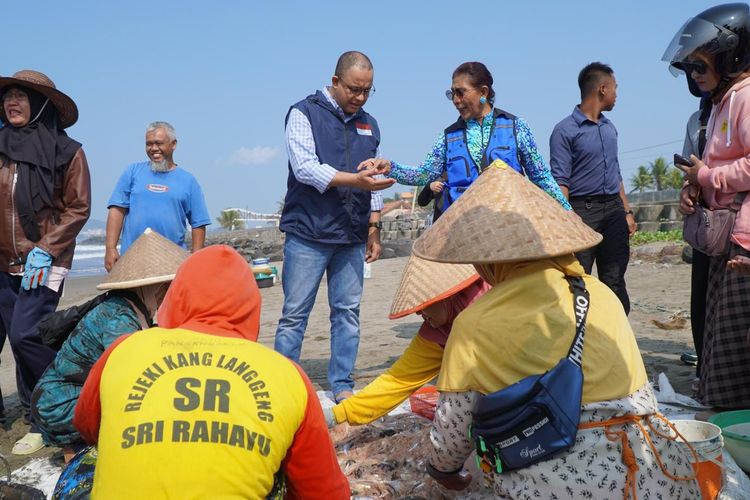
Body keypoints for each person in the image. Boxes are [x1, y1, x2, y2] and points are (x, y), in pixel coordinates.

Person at [413, 161, 699, 498]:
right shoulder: (602, 295)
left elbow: (451, 439)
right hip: (655, 478)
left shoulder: (475, 324)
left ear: (487, 260)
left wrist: (443, 473)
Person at [72, 245, 349, 498]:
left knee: (84, 465)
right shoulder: (287, 376)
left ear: (177, 296)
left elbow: (87, 426)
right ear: (251, 306)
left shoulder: (126, 349)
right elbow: (326, 492)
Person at [274, 51, 395, 403]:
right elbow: (305, 169)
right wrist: (353, 181)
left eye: (367, 91)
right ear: (336, 80)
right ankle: (284, 386)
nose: (360, 97)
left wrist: (374, 227)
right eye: (354, 89)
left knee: (347, 312)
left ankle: (342, 383)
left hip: (351, 235)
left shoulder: (369, 123)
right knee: (295, 314)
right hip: (308, 232)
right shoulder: (303, 113)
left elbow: (372, 179)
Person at [32, 229, 188, 462]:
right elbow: (131, 374)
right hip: (59, 404)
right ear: (155, 287)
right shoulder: (119, 317)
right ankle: (75, 452)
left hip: (65, 395)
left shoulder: (129, 306)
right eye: (167, 287)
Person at [0, 70, 91, 455]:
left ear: (40, 106)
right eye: (8, 97)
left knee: (26, 336)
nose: (12, 102)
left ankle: (70, 396)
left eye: (22, 96)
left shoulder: (67, 152)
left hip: (43, 261)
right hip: (3, 262)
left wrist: (48, 246)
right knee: (17, 344)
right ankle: (32, 414)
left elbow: (79, 207)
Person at [665, 3, 750, 409]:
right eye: (691, 69)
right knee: (718, 337)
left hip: (744, 241)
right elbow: (715, 166)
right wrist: (695, 189)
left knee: (735, 341)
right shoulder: (720, 102)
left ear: (731, 56)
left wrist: (706, 177)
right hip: (725, 236)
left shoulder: (745, 98)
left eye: (701, 66)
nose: (695, 76)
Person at [384, 62, 570, 213]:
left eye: (461, 92)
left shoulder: (516, 127)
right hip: (462, 232)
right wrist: (389, 168)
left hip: (511, 229)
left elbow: (540, 176)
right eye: (452, 93)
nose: (456, 100)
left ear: (483, 92)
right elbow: (424, 174)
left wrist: (567, 211)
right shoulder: (448, 137)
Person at [327, 254, 490, 426]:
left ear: (445, 295)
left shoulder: (488, 304)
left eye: (423, 305)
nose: (418, 313)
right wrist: (335, 416)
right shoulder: (436, 332)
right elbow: (398, 380)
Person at [549, 62, 636, 315]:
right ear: (602, 88)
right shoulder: (564, 131)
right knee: (578, 281)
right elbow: (560, 180)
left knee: (615, 280)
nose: (616, 94)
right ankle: (579, 343)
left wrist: (627, 212)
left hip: (613, 212)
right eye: (615, 88)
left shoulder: (610, 128)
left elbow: (616, 172)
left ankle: (618, 341)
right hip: (581, 212)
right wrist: (567, 219)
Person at [104, 121, 210, 272]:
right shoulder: (132, 172)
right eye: (149, 144)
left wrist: (196, 257)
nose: (153, 149)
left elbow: (199, 222)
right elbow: (116, 209)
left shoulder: (188, 181)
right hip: (132, 259)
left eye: (159, 143)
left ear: (173, 144)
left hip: (173, 261)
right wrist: (110, 248)